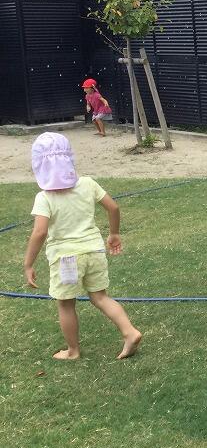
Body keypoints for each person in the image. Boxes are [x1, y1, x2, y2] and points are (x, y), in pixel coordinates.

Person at [23, 132, 142, 360]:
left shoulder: (44, 197)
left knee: (66, 304)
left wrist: (28, 263)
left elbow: (40, 231)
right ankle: (129, 331)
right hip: (94, 252)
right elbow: (113, 208)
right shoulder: (87, 184)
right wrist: (114, 233)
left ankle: (73, 351)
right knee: (100, 297)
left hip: (66, 259)